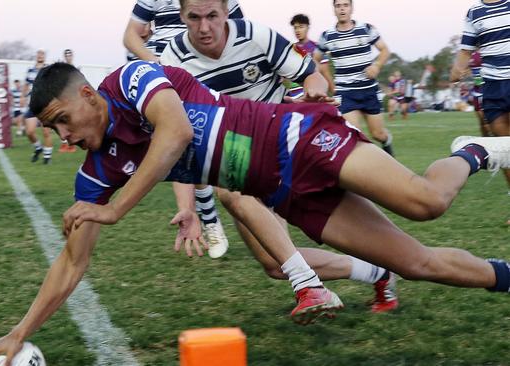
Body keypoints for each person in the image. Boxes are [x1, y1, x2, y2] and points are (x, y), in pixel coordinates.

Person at [0, 61, 510, 365]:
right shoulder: (94, 172)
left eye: (64, 118)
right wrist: (19, 332)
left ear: (89, 95)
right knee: (417, 264)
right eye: (54, 129)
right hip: (284, 193)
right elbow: (71, 263)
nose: (64, 135)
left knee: (427, 203)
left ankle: (474, 150)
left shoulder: (129, 81)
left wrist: (113, 209)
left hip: (298, 139)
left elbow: (176, 131)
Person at [161, 0, 397, 312]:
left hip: (282, 146)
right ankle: (377, 273)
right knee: (274, 264)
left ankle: (311, 285)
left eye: (212, 16)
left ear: (226, 11)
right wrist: (186, 207)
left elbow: (312, 75)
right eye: (194, 17)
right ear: (182, 16)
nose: (204, 27)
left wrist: (313, 91)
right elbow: (179, 135)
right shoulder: (171, 61)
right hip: (236, 154)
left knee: (230, 190)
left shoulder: (258, 37)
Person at [123, 0, 244, 254]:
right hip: (167, 74)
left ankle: (217, 213)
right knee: (181, 145)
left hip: (207, 68)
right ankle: (206, 217)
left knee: (216, 150)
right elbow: (131, 35)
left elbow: (240, 30)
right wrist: (155, 61)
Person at [451, 0, 510, 213]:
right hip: (492, 88)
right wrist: (457, 69)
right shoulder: (474, 13)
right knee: (503, 147)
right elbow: (466, 50)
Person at [314, 0, 395, 156]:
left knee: (378, 134)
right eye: (338, 6)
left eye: (345, 5)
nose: (342, 9)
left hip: (368, 89)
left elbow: (385, 50)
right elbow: (315, 59)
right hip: (345, 92)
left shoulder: (366, 29)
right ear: (334, 10)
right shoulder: (327, 36)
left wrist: (376, 65)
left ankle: (387, 145)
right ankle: (363, 174)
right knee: (352, 136)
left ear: (351, 8)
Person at [123, 0, 243, 62]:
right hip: (159, 61)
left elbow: (239, 34)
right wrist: (156, 63)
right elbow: (130, 36)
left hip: (202, 63)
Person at [21, 49, 53, 164]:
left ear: (44, 56)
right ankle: (38, 148)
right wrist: (22, 97)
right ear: (36, 56)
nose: (40, 55)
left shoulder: (48, 70)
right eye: (38, 54)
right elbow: (25, 85)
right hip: (32, 105)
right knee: (29, 132)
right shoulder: (30, 70)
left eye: (42, 54)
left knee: (46, 132)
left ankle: (47, 157)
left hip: (45, 106)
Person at [290, 13, 334, 96]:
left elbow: (326, 73)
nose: (297, 30)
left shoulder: (317, 49)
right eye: (295, 28)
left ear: (307, 28)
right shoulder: (291, 50)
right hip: (295, 97)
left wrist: (335, 93)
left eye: (301, 27)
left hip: (313, 94)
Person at [59, 49, 77, 153]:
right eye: (66, 54)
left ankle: (72, 144)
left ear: (72, 56)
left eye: (69, 54)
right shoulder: (62, 68)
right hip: (63, 97)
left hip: (72, 97)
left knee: (71, 121)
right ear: (64, 56)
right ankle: (64, 144)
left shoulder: (75, 68)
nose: (68, 56)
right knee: (62, 120)